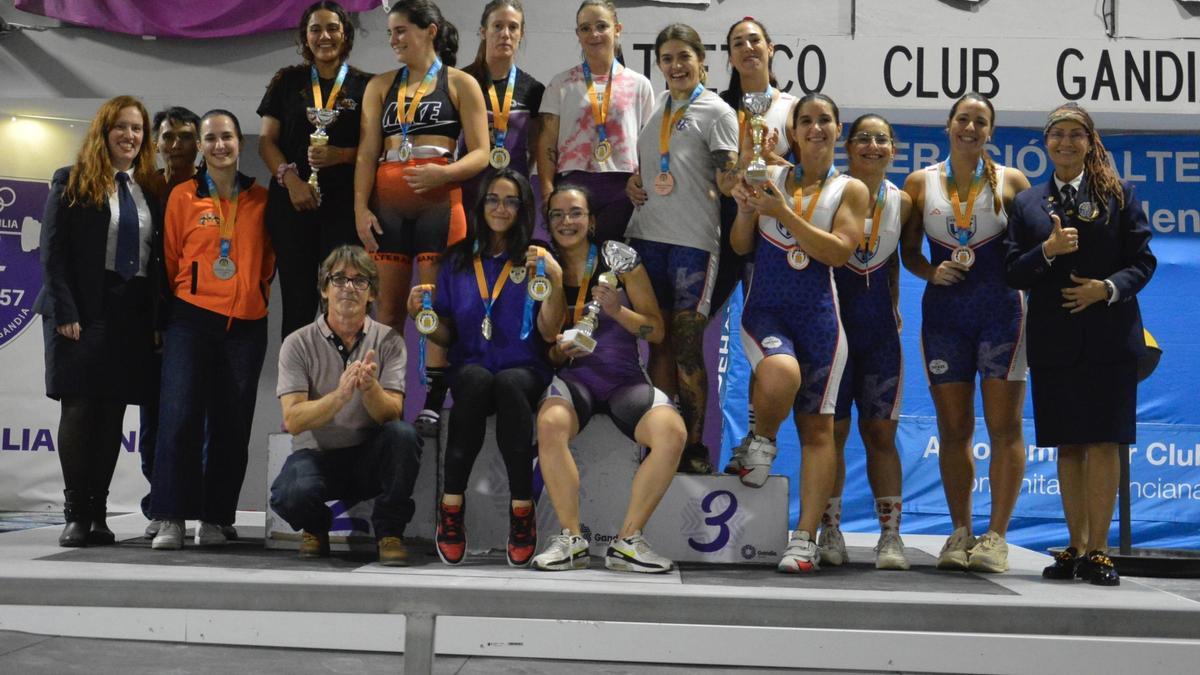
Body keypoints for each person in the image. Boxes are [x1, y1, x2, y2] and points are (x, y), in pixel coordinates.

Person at [1005, 103, 1155, 587]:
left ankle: (1099, 552)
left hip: (1109, 339)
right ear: (1045, 143)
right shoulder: (1028, 203)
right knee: (1068, 445)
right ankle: (1074, 546)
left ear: (1090, 142)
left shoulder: (1120, 194)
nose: (1065, 143)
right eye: (1057, 135)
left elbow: (1143, 261)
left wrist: (1106, 289)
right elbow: (1012, 271)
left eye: (1075, 135)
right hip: (1054, 342)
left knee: (1104, 442)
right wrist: (1047, 251)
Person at [730, 93, 869, 573]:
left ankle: (804, 539)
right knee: (780, 372)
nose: (815, 128)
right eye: (805, 121)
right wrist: (748, 210)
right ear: (792, 134)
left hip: (821, 321)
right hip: (766, 310)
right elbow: (740, 244)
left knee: (818, 430)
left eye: (824, 120)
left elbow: (837, 254)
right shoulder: (765, 176)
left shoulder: (850, 190)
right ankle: (761, 440)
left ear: (837, 130)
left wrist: (784, 213)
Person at [899, 92, 1032, 573]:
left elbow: (1035, 249)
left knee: (1004, 428)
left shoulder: (1012, 181)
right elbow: (908, 253)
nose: (970, 128)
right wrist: (929, 274)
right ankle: (960, 532)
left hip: (1003, 317)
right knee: (954, 430)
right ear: (948, 125)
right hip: (945, 319)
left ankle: (996, 537)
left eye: (980, 122)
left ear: (990, 133)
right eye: (963, 119)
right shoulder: (920, 183)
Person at [406, 170, 565, 567]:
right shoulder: (459, 258)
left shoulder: (536, 255)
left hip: (523, 366)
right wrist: (418, 317)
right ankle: (451, 508)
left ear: (523, 208)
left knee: (510, 384)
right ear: (481, 205)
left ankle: (522, 511)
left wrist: (556, 281)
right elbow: (445, 336)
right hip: (472, 364)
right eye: (493, 198)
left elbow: (549, 332)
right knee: (475, 381)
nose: (500, 208)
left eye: (511, 200)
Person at [531, 184, 685, 574]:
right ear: (548, 223)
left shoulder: (622, 260)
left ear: (592, 220)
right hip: (574, 380)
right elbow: (545, 343)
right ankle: (570, 539)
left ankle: (628, 541)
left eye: (576, 212)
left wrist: (618, 312)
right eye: (558, 214)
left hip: (624, 380)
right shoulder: (542, 267)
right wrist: (558, 347)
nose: (567, 221)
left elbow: (656, 330)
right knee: (549, 423)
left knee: (672, 434)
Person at [355, 0, 490, 437]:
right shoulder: (379, 86)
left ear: (430, 31)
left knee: (433, 308)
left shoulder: (461, 82)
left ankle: (433, 401)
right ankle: (385, 397)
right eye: (391, 32)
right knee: (388, 309)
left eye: (401, 31)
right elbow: (366, 152)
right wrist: (360, 208)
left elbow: (483, 153)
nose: (393, 40)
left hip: (439, 206)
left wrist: (444, 173)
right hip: (389, 208)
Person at [34, 95, 162, 547]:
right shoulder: (71, 181)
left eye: (138, 130)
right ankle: (76, 513)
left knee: (111, 414)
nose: (130, 136)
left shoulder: (150, 188)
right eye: (122, 127)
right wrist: (66, 311)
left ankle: (99, 514)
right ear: (104, 131)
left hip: (130, 312)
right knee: (80, 407)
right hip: (83, 310)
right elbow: (53, 253)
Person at [150, 110, 275, 551]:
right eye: (210, 138)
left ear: (240, 142)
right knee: (179, 418)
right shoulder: (183, 196)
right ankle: (170, 517)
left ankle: (216, 517)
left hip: (245, 325)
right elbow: (169, 259)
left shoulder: (261, 198)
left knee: (232, 423)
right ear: (200, 147)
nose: (219, 145)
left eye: (227, 136)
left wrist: (254, 291)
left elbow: (270, 260)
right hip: (191, 318)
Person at [625, 23, 739, 474]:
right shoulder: (655, 112)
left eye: (684, 57)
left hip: (693, 245)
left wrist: (740, 176)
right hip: (646, 238)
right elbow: (653, 169)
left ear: (701, 61)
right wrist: (635, 183)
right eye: (667, 59)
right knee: (656, 344)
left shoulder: (717, 112)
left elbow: (726, 179)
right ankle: (661, 438)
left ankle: (694, 447)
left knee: (688, 346)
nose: (676, 66)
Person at [269, 245, 423, 566]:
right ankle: (316, 527)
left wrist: (369, 389)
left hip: (369, 455)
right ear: (325, 290)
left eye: (360, 281)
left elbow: (392, 413)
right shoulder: (297, 343)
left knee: (404, 436)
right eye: (339, 279)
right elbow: (294, 420)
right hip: (317, 456)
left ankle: (390, 532)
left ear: (372, 295)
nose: (349, 288)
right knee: (288, 494)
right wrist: (340, 396)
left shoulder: (389, 341)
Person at [821, 114, 913, 570]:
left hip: (878, 331)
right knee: (831, 433)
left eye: (882, 139)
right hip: (833, 327)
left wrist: (894, 303)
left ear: (893, 149)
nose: (873, 146)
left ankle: (890, 537)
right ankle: (830, 529)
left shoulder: (905, 202)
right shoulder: (830, 191)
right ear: (848, 147)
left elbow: (896, 256)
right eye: (863, 138)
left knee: (881, 433)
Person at [259, 1, 373, 341]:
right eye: (315, 29)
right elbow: (266, 141)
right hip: (292, 205)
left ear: (346, 34)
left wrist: (342, 154)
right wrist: (291, 180)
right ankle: (296, 391)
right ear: (305, 37)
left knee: (342, 300)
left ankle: (341, 387)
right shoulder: (285, 81)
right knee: (296, 302)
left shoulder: (366, 86)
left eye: (333, 28)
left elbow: (376, 150)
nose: (324, 36)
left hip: (342, 209)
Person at [716, 16, 798, 475]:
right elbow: (713, 173)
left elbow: (808, 176)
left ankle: (756, 438)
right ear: (728, 56)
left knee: (767, 345)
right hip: (723, 234)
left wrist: (772, 161)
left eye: (754, 40)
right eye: (737, 43)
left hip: (775, 239)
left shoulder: (792, 107)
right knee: (710, 340)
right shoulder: (717, 107)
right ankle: (700, 440)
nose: (747, 48)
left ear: (771, 48)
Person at [536, 0, 654, 244]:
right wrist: (547, 189)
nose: (594, 34)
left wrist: (642, 177)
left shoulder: (639, 84)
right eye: (586, 28)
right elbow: (547, 140)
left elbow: (649, 141)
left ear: (617, 29)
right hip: (572, 184)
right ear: (578, 34)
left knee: (613, 265)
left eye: (602, 26)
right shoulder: (561, 83)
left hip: (623, 189)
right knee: (573, 262)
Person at [140, 105, 201, 536]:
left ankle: (203, 509)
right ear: (156, 144)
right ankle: (159, 505)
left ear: (199, 144)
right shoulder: (144, 189)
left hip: (199, 319)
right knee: (154, 419)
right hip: (148, 321)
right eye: (168, 137)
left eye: (184, 136)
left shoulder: (211, 188)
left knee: (201, 418)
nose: (175, 145)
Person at [459, 0, 545, 209]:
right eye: (497, 26)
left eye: (513, 27)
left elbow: (536, 147)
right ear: (483, 31)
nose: (505, 33)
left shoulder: (534, 89)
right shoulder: (461, 81)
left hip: (513, 194)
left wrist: (519, 174)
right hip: (468, 190)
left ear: (521, 34)